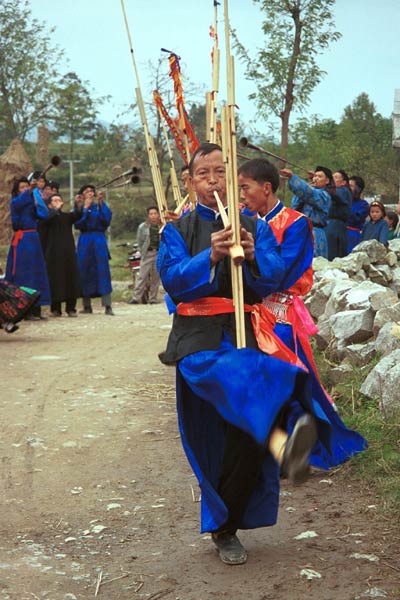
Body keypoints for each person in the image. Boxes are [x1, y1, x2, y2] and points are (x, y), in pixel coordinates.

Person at [157, 143, 322, 566]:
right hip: (199, 341)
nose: (212, 181)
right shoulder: (177, 230)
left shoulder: (255, 226)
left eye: (220, 172)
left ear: (232, 180)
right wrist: (209, 255)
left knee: (244, 433)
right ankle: (282, 443)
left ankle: (225, 528)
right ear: (191, 181)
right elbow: (174, 281)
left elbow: (272, 277)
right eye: (203, 174)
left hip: (246, 331)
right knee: (245, 381)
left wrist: (250, 253)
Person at [238, 157, 366, 470]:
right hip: (248, 312)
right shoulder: (243, 219)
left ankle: (297, 446)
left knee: (288, 380)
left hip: (277, 315)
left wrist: (249, 270)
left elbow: (281, 274)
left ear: (266, 188)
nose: (240, 195)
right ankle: (271, 449)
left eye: (245, 188)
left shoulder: (295, 223)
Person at [5, 176, 51, 320]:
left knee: (37, 273)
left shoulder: (31, 201)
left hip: (34, 239)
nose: (25, 189)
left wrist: (36, 196)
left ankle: (36, 309)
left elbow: (44, 214)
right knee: (25, 274)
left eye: (26, 186)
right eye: (22, 188)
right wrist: (29, 191)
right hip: (23, 241)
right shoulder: (15, 202)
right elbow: (18, 204)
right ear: (17, 191)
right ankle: (24, 310)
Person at [74, 185, 114, 316]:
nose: (90, 194)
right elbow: (77, 224)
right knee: (84, 271)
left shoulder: (99, 207)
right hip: (85, 240)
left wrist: (102, 203)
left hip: (98, 240)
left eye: (92, 191)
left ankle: (107, 305)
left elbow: (106, 220)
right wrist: (84, 208)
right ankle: (87, 305)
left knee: (102, 271)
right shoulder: (79, 208)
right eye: (87, 192)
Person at [41, 193, 82, 317]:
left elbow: (77, 215)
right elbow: (46, 222)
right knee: (55, 279)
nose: (58, 202)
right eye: (54, 200)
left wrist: (77, 203)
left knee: (71, 278)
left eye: (59, 200)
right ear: (49, 205)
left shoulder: (66, 217)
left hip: (68, 252)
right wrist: (55, 210)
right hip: (53, 253)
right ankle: (55, 309)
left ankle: (71, 308)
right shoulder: (46, 216)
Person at [282, 166, 331, 258]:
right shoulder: (310, 192)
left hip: (315, 233)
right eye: (315, 176)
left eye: (319, 177)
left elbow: (309, 193)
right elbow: (295, 204)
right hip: (301, 232)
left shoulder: (324, 196)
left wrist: (293, 177)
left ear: (327, 181)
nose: (315, 178)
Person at [129, 206, 162, 305]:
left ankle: (153, 298)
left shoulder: (163, 225)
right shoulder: (143, 227)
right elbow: (139, 241)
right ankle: (136, 297)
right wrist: (141, 250)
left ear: (158, 214)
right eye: (151, 214)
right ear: (148, 216)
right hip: (147, 253)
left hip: (159, 253)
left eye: (155, 213)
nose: (153, 216)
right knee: (142, 276)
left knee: (156, 276)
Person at [325, 170, 352, 260]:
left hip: (336, 226)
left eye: (336, 178)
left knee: (333, 255)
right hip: (330, 225)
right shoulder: (331, 192)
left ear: (343, 182)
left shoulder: (343, 190)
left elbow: (336, 194)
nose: (332, 180)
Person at [347, 175, 369, 253]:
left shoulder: (363, 205)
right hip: (340, 234)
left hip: (352, 236)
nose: (348, 188)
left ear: (358, 189)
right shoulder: (342, 201)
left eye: (351, 186)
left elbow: (356, 218)